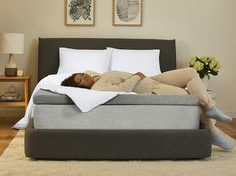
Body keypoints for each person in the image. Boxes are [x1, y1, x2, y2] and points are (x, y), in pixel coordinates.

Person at [61, 68, 234, 151]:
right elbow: (120, 88)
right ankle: (213, 132)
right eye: (81, 79)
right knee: (192, 98)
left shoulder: (95, 76)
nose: (84, 76)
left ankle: (211, 109)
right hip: (151, 88)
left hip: (153, 78)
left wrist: (82, 75)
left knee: (191, 72)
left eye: (81, 74)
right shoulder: (97, 88)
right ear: (82, 88)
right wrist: (137, 76)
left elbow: (89, 74)